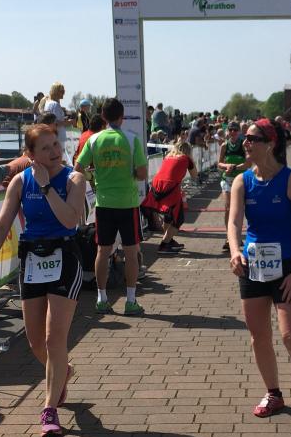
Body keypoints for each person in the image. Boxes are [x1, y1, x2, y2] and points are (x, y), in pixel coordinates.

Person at [0, 124, 86, 437]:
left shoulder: (74, 179)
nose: (55, 152)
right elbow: (2, 224)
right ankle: (62, 371)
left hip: (65, 255)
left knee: (54, 339)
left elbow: (70, 219)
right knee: (35, 341)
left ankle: (49, 408)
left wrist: (47, 187)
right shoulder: (20, 181)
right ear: (30, 154)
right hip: (32, 258)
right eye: (46, 148)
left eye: (56, 145)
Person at [227, 118, 291, 428]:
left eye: (252, 138)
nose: (245, 142)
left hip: (288, 267)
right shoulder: (242, 181)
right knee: (259, 337)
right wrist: (235, 250)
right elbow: (234, 222)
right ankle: (273, 394)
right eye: (245, 137)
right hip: (253, 267)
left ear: (270, 144)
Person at [74, 98, 147, 316]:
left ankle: (101, 299)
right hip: (128, 204)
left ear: (103, 117)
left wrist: (94, 176)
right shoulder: (132, 140)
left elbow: (77, 168)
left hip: (104, 204)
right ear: (122, 117)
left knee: (102, 252)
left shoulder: (94, 139)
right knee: (131, 252)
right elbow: (142, 174)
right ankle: (131, 301)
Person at [141, 140, 198, 254]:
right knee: (178, 219)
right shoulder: (186, 159)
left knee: (168, 216)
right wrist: (192, 162)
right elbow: (194, 175)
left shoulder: (167, 157)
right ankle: (164, 244)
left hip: (156, 186)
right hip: (170, 188)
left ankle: (169, 240)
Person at [218, 121, 249, 252]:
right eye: (230, 130)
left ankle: (237, 236)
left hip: (240, 180)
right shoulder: (224, 145)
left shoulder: (243, 145)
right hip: (227, 180)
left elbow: (248, 163)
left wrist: (235, 167)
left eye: (235, 130)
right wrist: (226, 166)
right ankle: (228, 237)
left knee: (239, 209)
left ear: (239, 132)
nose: (232, 132)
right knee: (228, 208)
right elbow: (219, 163)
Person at [40, 82, 73, 157]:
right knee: (59, 156)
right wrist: (69, 122)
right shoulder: (55, 104)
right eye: (62, 91)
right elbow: (56, 123)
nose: (63, 93)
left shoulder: (48, 103)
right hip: (58, 136)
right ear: (56, 91)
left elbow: (52, 120)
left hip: (52, 135)